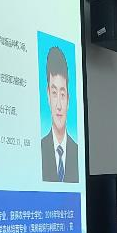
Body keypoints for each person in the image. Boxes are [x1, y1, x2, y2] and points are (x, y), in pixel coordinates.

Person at [40, 46, 79, 183]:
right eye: (54, 93)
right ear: (48, 96)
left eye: (62, 94)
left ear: (68, 99)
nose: (58, 105)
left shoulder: (78, 152)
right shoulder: (40, 149)